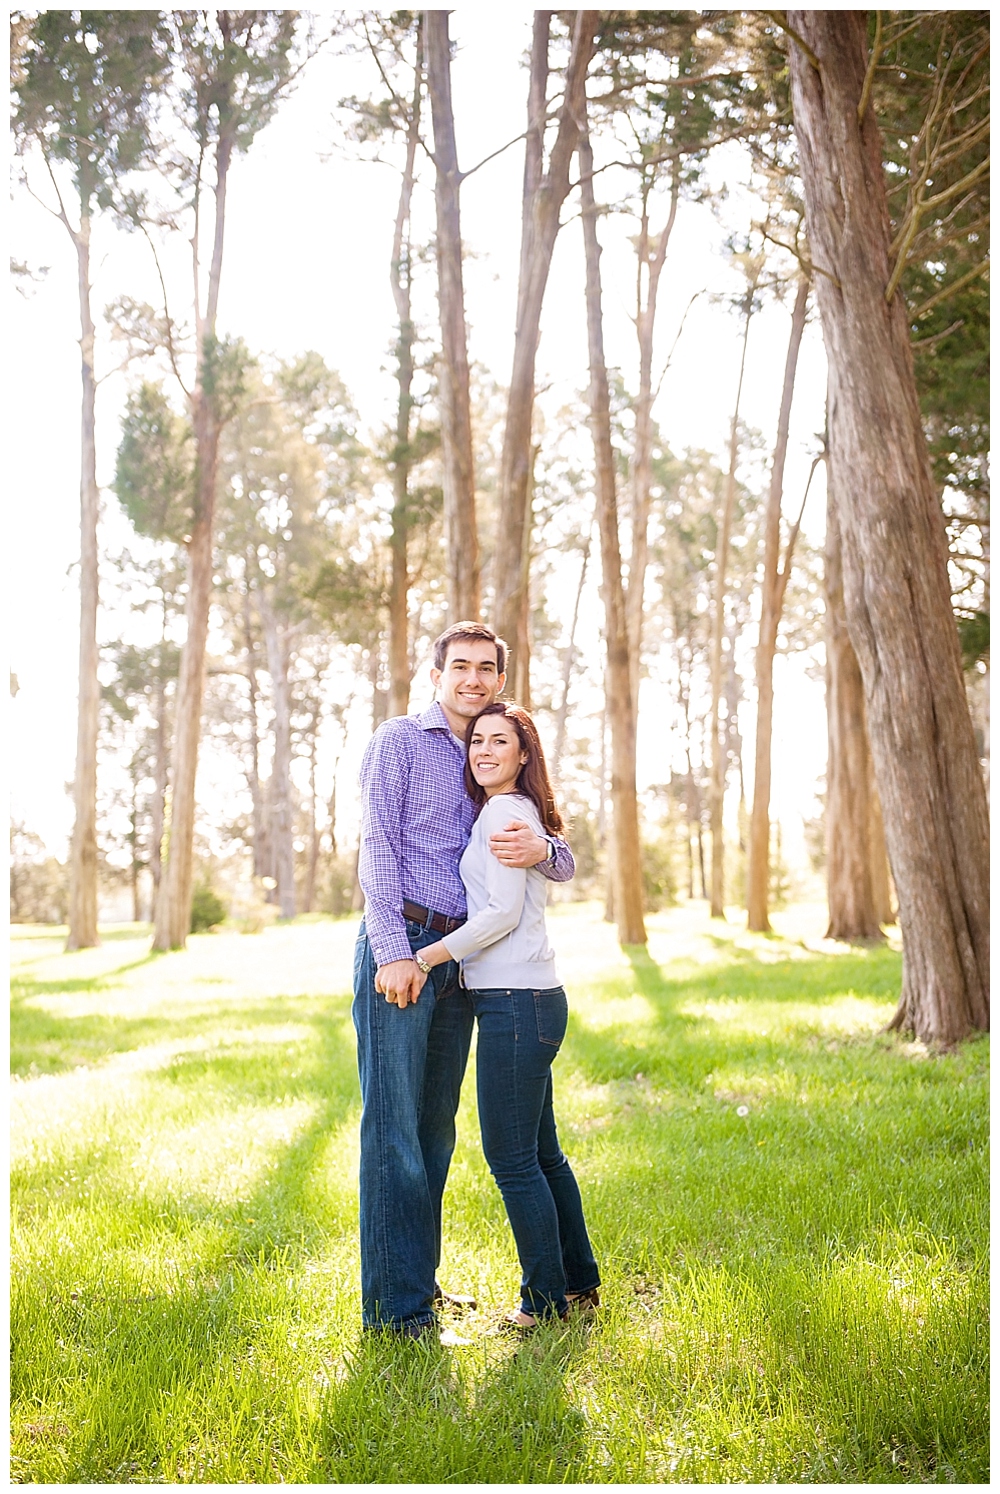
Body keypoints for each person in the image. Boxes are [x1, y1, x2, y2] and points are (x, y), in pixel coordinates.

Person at [353, 621, 575, 1338]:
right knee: (393, 1133)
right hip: (408, 948)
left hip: (458, 960)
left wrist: (548, 846)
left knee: (434, 1132)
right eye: (460, 666)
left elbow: (557, 855)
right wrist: (394, 952)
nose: (472, 679)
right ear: (437, 672)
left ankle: (416, 1289)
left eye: (486, 668)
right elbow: (378, 849)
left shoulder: (489, 747)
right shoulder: (399, 742)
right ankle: (394, 1315)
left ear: (499, 681)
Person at [415, 701, 600, 1332]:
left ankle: (542, 1302)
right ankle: (577, 1286)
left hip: (515, 1006)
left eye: (502, 741)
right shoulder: (511, 811)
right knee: (544, 1155)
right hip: (533, 999)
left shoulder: (503, 812)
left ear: (525, 755)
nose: (485, 750)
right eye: (477, 741)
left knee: (513, 1159)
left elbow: (499, 915)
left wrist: (429, 955)